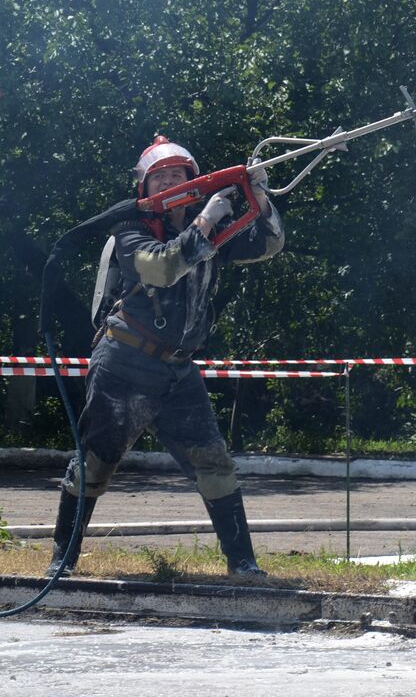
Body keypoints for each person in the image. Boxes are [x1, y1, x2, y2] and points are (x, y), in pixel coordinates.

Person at [48, 135, 285, 577]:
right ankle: (61, 562)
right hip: (123, 361)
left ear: (193, 180)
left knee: (214, 462)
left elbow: (267, 245)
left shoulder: (211, 225)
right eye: (161, 176)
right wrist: (206, 223)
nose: (171, 181)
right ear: (146, 187)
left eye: (178, 174)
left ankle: (243, 564)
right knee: (94, 463)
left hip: (177, 368)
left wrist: (259, 196)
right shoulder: (131, 226)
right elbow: (162, 267)